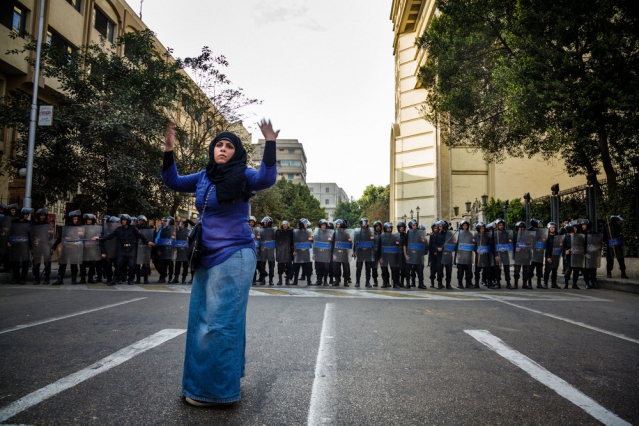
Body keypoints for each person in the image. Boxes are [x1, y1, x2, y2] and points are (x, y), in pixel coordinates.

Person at [161, 119, 278, 407]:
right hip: (205, 254)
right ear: (212, 150)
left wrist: (270, 144)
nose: (223, 149)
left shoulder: (244, 175)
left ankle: (215, 393)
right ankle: (218, 380)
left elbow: (267, 178)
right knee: (204, 319)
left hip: (234, 254)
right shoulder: (204, 176)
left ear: (235, 152)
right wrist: (168, 149)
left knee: (219, 323)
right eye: (219, 145)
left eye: (228, 146)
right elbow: (173, 181)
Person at [94, 214, 154, 285]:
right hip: (122, 249)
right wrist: (99, 238)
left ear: (128, 221)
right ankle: (114, 280)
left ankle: (130, 280)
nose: (123, 221)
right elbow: (110, 236)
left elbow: (140, 236)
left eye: (124, 220)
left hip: (131, 249)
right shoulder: (119, 229)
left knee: (132, 265)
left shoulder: (133, 228)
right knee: (118, 265)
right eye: (122, 220)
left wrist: (147, 242)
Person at [8, 207, 32, 284]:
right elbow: (11, 232)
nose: (26, 216)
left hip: (25, 245)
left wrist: (31, 247)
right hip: (15, 244)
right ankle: (16, 278)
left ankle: (23, 278)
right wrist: (9, 241)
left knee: (25, 262)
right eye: (25, 214)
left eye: (27, 214)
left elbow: (31, 234)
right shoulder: (14, 221)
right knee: (15, 262)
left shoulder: (29, 222)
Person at [30, 208, 54, 284]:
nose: (42, 217)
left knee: (47, 263)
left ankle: (47, 278)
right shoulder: (34, 225)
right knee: (36, 263)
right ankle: (37, 278)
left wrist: (41, 238)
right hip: (37, 247)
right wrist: (32, 246)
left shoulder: (48, 225)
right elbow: (31, 236)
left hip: (46, 245)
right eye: (41, 215)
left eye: (44, 215)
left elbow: (51, 236)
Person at [353, 217, 375, 287]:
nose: (364, 225)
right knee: (359, 268)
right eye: (363, 223)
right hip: (360, 252)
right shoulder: (358, 232)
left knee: (368, 269)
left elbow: (373, 242)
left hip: (368, 252)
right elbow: (355, 243)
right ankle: (357, 282)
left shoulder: (370, 232)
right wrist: (355, 252)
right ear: (361, 224)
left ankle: (367, 282)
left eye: (365, 223)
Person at [275, 220, 294, 285]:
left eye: (286, 224)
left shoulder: (291, 232)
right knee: (280, 266)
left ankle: (287, 280)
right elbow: (277, 241)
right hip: (281, 252)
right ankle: (280, 280)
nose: (285, 226)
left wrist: (293, 250)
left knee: (289, 266)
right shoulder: (278, 232)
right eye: (284, 225)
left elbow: (293, 242)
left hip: (289, 251)